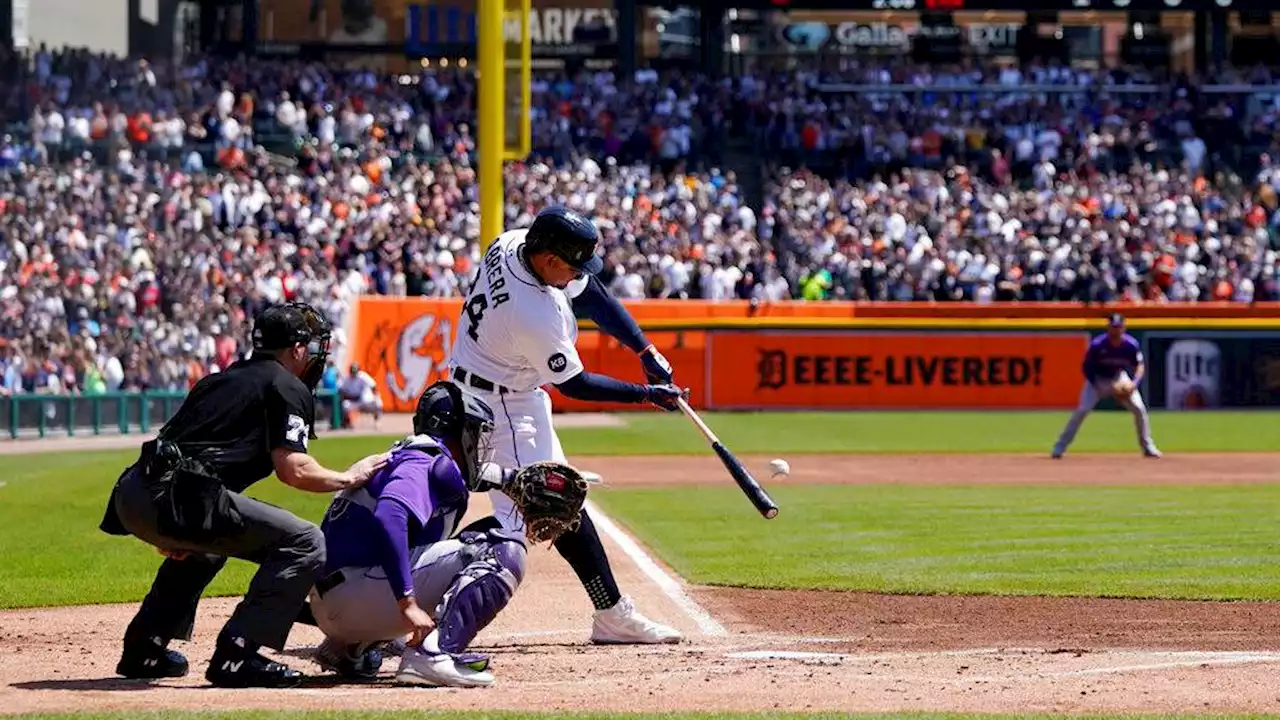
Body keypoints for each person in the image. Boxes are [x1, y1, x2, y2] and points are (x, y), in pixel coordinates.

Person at [99, 302, 390, 688]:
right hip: (176, 498)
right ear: (298, 349)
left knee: (206, 549)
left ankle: (144, 648)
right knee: (304, 541)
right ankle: (238, 653)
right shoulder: (287, 385)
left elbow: (177, 447)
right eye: (317, 347)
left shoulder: (218, 379)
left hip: (133, 493)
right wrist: (348, 477)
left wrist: (170, 527)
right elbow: (293, 469)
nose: (320, 357)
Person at [448, 205, 686, 644]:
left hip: (495, 388)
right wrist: (646, 395)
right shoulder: (531, 312)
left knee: (563, 500)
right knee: (526, 520)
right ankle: (409, 602)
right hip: (501, 408)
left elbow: (590, 292)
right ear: (550, 260)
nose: (578, 273)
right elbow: (576, 384)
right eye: (572, 265)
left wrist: (643, 349)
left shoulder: (515, 242)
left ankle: (611, 612)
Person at [308, 380, 587, 687]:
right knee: (505, 549)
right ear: (457, 430)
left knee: (481, 532)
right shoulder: (423, 460)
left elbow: (467, 476)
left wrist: (512, 479)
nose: (477, 442)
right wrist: (408, 604)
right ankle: (434, 654)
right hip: (355, 598)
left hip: (341, 600)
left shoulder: (411, 454)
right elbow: (390, 516)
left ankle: (353, 649)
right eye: (474, 431)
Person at [1052, 313, 1161, 459]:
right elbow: (1086, 368)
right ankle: (1060, 446)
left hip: (1119, 377)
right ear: (1108, 328)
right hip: (1097, 379)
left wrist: (1133, 384)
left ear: (1124, 328)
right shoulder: (1098, 345)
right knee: (1082, 410)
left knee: (1139, 409)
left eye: (1118, 327)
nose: (1115, 330)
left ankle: (1148, 446)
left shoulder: (1130, 345)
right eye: (1113, 327)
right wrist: (1098, 386)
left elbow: (1139, 366)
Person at [339, 362, 384, 429]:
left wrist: (376, 397)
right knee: (345, 405)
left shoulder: (363, 376)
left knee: (378, 403)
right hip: (354, 401)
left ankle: (377, 421)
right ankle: (347, 423)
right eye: (352, 371)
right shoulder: (347, 378)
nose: (354, 373)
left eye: (355, 371)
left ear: (358, 370)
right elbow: (341, 390)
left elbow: (373, 386)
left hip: (365, 400)